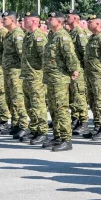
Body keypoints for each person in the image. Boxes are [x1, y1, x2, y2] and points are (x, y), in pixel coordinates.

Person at [42, 11, 80, 151]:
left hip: (60, 78)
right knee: (53, 108)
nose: (48, 20)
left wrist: (73, 70)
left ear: (59, 21)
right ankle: (57, 136)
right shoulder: (52, 36)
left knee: (61, 108)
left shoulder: (63, 36)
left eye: (51, 18)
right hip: (51, 78)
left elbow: (69, 55)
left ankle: (66, 139)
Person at [83, 16, 101, 140]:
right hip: (90, 76)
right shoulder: (91, 38)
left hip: (100, 76)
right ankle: (98, 126)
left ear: (97, 24)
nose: (88, 24)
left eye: (90, 22)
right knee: (93, 102)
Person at [21, 11, 49, 144]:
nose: (23, 21)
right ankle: (34, 129)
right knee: (29, 105)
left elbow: (45, 57)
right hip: (27, 76)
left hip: (37, 77)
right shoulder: (28, 36)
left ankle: (42, 131)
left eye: (26, 19)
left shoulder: (39, 37)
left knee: (38, 104)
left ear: (33, 21)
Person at [2, 12, 29, 137]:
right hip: (9, 72)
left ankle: (24, 125)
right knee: (10, 99)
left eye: (5, 19)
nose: (2, 21)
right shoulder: (9, 34)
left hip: (16, 73)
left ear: (12, 21)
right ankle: (15, 123)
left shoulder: (17, 34)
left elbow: (22, 55)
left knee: (18, 99)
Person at [66, 10, 91, 136]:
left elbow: (85, 53)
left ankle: (84, 123)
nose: (67, 18)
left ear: (76, 18)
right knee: (73, 97)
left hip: (78, 70)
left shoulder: (79, 33)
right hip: (71, 70)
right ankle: (75, 120)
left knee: (79, 96)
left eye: (69, 16)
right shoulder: (70, 33)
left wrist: (81, 68)